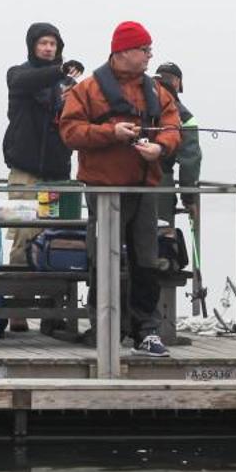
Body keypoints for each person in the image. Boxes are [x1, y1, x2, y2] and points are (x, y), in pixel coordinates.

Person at [57, 20, 182, 356]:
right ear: (124, 51)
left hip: (144, 188)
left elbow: (173, 127)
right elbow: (69, 132)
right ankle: (105, 326)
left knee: (146, 260)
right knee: (104, 257)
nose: (149, 55)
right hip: (104, 190)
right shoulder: (86, 90)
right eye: (144, 49)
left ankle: (147, 330)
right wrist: (111, 133)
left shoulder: (158, 91)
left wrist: (161, 148)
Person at [2, 22, 79, 272]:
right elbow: (28, 81)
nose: (48, 48)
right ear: (32, 46)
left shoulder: (67, 84)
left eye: (53, 44)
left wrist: (67, 101)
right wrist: (60, 72)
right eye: (43, 43)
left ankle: (51, 306)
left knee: (54, 241)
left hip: (56, 174)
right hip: (25, 172)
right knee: (24, 239)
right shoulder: (17, 74)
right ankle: (18, 308)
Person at [153, 62, 203, 225]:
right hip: (160, 184)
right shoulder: (184, 115)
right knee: (161, 238)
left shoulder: (136, 101)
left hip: (124, 182)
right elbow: (190, 161)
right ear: (177, 83)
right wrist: (188, 198)